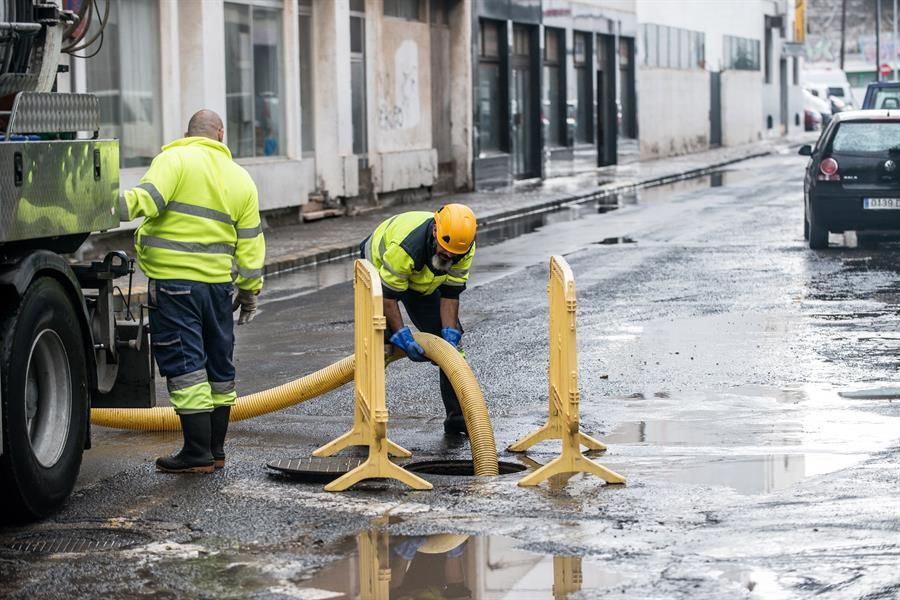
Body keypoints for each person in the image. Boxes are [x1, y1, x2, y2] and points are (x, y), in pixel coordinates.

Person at [119, 109, 265, 473]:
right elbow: (251, 244)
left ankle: (196, 452)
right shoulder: (241, 178)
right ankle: (215, 450)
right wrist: (249, 292)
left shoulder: (174, 160)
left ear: (188, 134)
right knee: (218, 365)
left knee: (186, 366)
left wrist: (98, 204)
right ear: (221, 134)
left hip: (175, 286)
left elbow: (145, 200)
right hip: (218, 289)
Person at [360, 204, 477, 435]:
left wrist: (449, 333)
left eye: (454, 254)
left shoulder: (463, 247)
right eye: (445, 251)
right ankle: (367, 425)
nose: (450, 256)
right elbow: (388, 297)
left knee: (454, 350)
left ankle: (457, 417)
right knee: (379, 348)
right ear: (435, 231)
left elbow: (450, 293)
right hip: (379, 276)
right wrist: (400, 334)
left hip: (419, 283)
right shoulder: (406, 249)